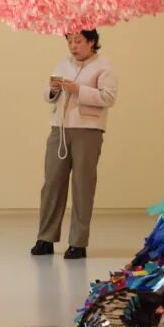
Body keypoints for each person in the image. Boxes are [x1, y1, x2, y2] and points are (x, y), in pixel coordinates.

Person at [30, 30, 118, 260]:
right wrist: (52, 90)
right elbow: (48, 94)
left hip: (88, 131)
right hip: (59, 129)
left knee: (82, 186)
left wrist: (78, 90)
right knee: (52, 184)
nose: (73, 46)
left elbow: (108, 98)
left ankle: (78, 243)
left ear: (91, 41)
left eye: (78, 41)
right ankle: (45, 238)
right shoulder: (63, 64)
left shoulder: (104, 65)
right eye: (70, 41)